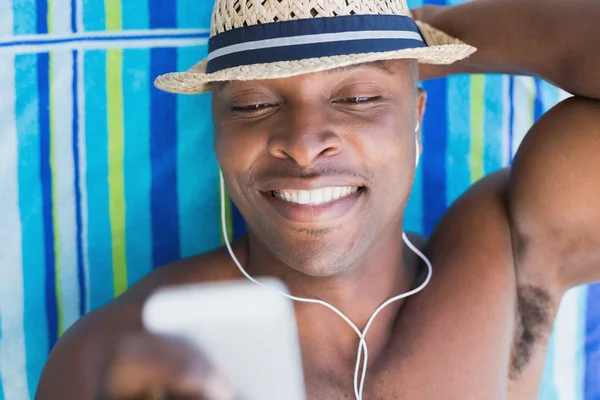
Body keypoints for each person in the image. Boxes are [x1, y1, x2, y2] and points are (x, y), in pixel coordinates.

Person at [36, 0, 600, 399]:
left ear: (417, 118)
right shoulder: (134, 344)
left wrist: (423, 37)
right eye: (253, 105)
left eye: (357, 96)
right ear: (217, 131)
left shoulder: (506, 248)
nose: (304, 145)